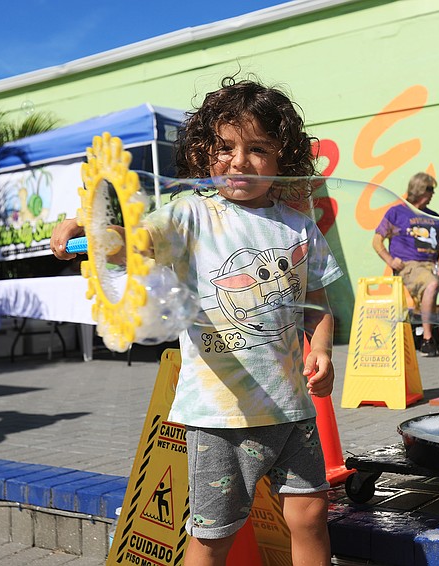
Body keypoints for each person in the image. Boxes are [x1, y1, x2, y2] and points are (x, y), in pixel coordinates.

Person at [51, 77, 341, 566]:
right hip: (222, 414)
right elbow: (137, 243)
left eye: (258, 149)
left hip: (293, 406)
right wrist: (91, 230)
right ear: (204, 151)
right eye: (224, 147)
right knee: (212, 536)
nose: (238, 161)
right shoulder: (191, 214)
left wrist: (323, 349)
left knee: (310, 515)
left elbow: (316, 302)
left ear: (283, 159)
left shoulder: (299, 226)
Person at [372, 172, 439, 357]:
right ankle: (427, 340)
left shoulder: (434, 217)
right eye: (431, 189)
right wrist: (390, 260)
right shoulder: (396, 212)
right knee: (431, 284)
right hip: (410, 266)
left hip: (433, 265)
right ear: (420, 190)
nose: (433, 194)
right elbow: (377, 241)